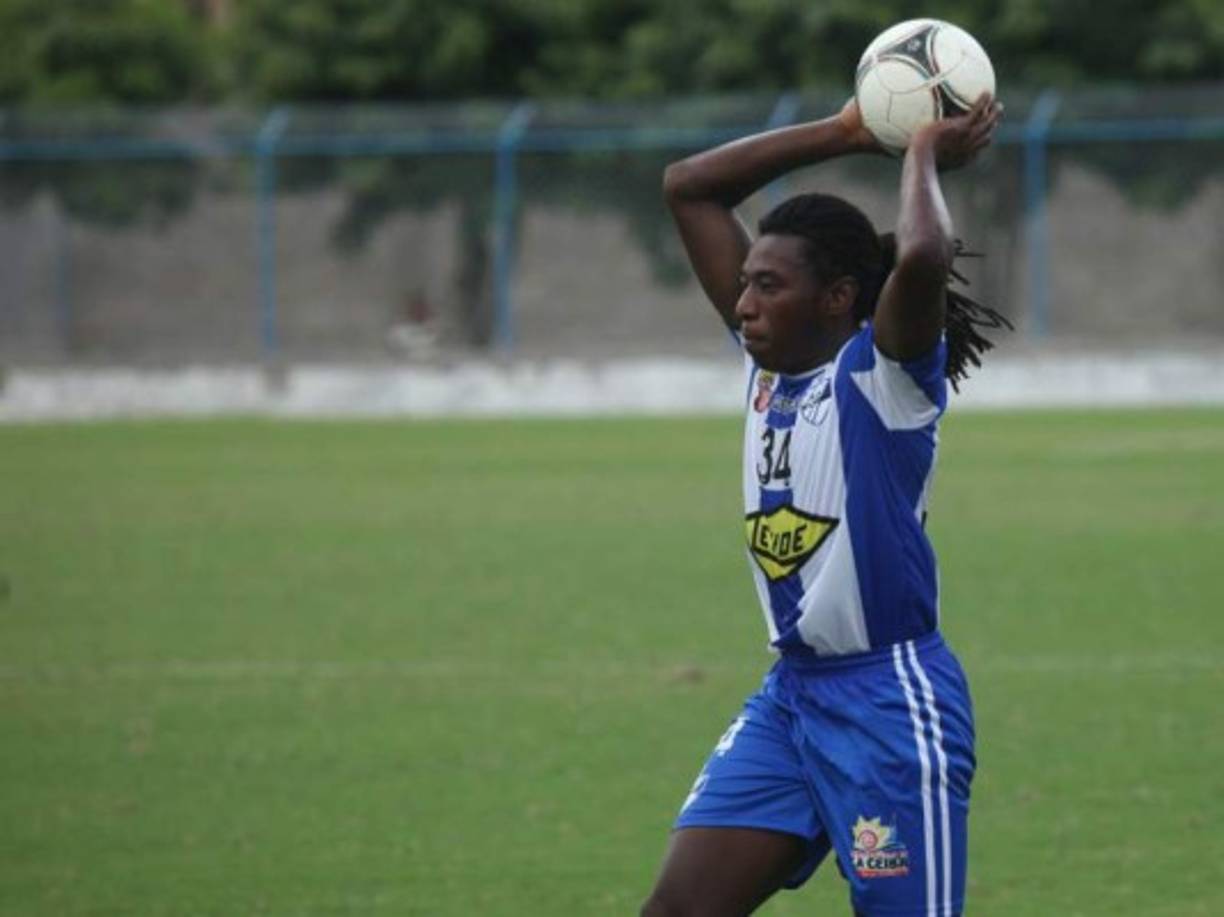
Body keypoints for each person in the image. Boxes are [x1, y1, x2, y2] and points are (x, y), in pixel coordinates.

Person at [641, 94, 1007, 917]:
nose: (743, 304)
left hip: (889, 707)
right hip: (793, 700)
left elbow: (921, 256)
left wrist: (918, 149)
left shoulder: (885, 381)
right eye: (744, 285)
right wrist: (846, 132)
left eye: (767, 286)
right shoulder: (767, 364)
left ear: (839, 297)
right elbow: (689, 187)